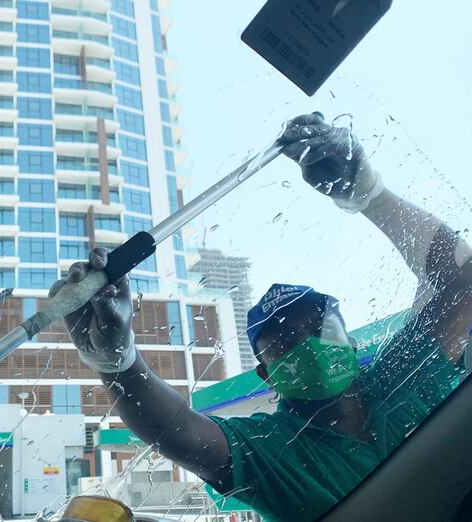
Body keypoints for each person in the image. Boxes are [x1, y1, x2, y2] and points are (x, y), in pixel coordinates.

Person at [49, 113, 472, 521]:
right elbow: (179, 432)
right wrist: (117, 362)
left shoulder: (404, 375)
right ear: (266, 375)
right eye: (285, 343)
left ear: (353, 341)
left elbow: (462, 280)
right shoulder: (272, 448)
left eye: (319, 326)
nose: (308, 346)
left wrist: (368, 193)